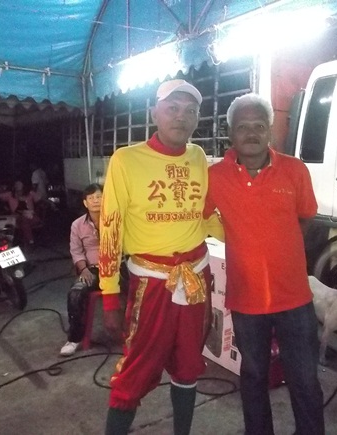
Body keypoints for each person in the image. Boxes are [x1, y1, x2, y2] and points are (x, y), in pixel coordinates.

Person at [204, 93, 325, 435]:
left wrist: (279, 251)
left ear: (270, 130)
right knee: (254, 376)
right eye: (243, 127)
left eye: (259, 126)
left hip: (295, 299)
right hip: (246, 300)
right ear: (230, 132)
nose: (252, 133)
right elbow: (193, 216)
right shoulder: (214, 177)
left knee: (304, 379)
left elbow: (305, 217)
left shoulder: (295, 170)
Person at [99, 79, 213, 435]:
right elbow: (110, 227)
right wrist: (109, 296)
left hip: (196, 278)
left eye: (190, 111)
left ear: (197, 119)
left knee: (188, 365)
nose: (181, 117)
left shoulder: (199, 157)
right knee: (135, 370)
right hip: (151, 283)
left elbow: (205, 215)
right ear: (154, 114)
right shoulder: (126, 160)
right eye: (172, 108)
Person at [59, 183, 103, 357]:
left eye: (99, 196)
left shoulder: (116, 219)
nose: (95, 201)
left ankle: (140, 337)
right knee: (75, 293)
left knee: (140, 290)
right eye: (91, 198)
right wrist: (83, 269)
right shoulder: (77, 225)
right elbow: (76, 251)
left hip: (117, 268)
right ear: (85, 203)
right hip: (92, 269)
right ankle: (74, 338)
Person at [0, 180, 41, 245]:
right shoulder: (10, 195)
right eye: (16, 184)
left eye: (19, 184)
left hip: (31, 216)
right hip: (17, 217)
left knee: (25, 222)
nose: (17, 185)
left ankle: (29, 242)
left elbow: (40, 200)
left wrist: (49, 204)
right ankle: (30, 242)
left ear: (23, 185)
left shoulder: (30, 193)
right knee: (23, 221)